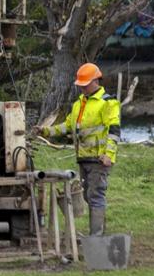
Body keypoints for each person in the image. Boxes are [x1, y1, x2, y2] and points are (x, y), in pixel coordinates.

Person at [39, 62, 120, 236]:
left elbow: (114, 131)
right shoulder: (79, 104)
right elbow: (67, 126)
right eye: (81, 85)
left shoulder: (108, 103)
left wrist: (109, 155)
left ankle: (96, 237)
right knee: (88, 197)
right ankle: (98, 234)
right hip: (83, 158)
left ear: (95, 81)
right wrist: (45, 131)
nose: (82, 88)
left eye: (85, 84)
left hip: (99, 159)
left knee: (96, 196)